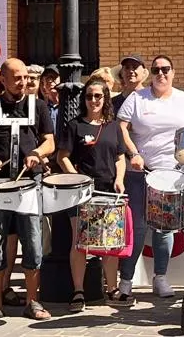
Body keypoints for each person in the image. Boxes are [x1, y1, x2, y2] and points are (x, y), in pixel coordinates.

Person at [0, 58, 56, 324]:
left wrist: (36, 154)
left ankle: (32, 300)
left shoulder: (38, 106)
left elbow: (50, 142)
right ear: (2, 80)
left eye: (26, 78)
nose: (23, 82)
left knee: (32, 241)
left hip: (30, 184)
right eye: (17, 78)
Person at [113, 54, 184, 305]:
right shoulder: (137, 98)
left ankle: (160, 277)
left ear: (174, 73)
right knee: (138, 226)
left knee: (165, 227)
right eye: (156, 70)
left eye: (165, 70)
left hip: (173, 172)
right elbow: (121, 126)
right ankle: (126, 280)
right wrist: (134, 153)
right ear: (149, 74)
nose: (161, 74)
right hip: (141, 172)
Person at [56, 73, 126, 311]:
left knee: (110, 243)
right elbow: (62, 156)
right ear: (83, 99)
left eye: (98, 96)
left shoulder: (113, 127)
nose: (93, 100)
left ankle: (112, 289)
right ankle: (78, 291)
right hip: (81, 193)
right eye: (89, 96)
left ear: (105, 98)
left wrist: (120, 179)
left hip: (108, 191)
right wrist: (77, 178)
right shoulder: (75, 126)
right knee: (80, 242)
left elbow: (120, 157)